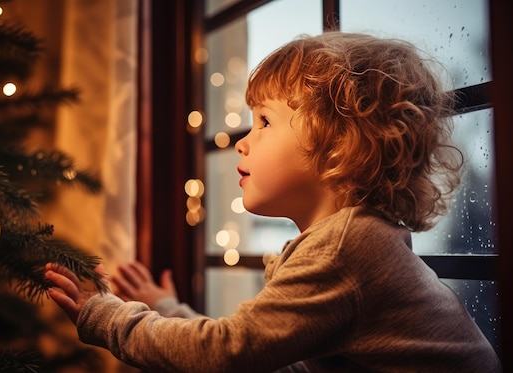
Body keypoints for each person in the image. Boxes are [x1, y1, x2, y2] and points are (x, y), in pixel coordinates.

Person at [44, 31, 501, 372]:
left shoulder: (349, 246)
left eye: (264, 121)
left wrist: (103, 317)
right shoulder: (348, 241)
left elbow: (228, 354)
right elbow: (275, 359)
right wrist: (169, 309)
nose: (242, 143)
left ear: (340, 142)